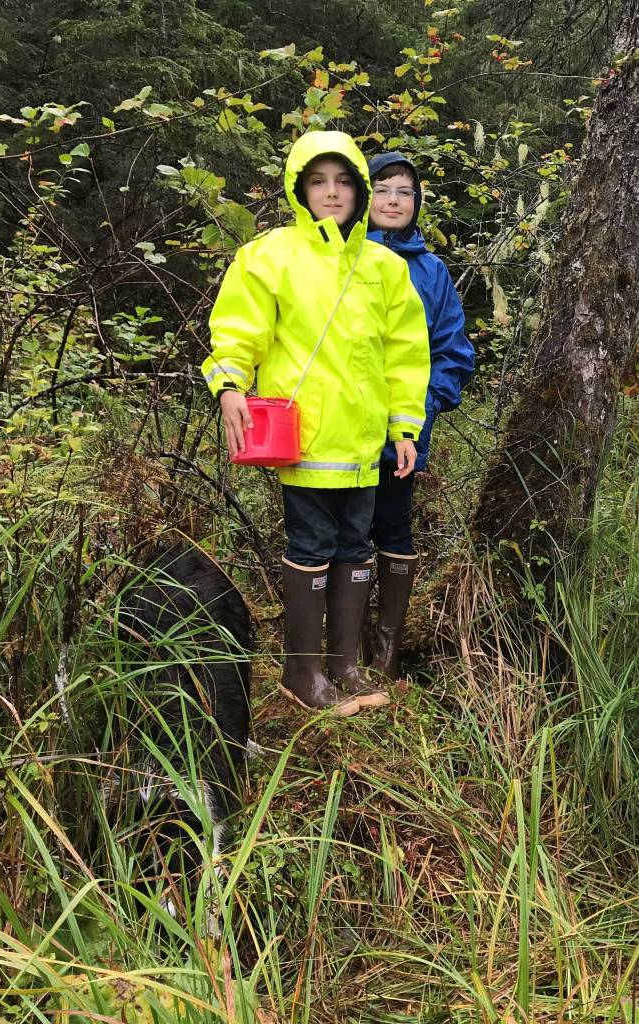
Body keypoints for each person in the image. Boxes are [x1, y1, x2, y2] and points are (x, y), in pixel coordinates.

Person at [201, 131, 430, 716]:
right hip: (302, 440)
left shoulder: (383, 266)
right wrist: (229, 385)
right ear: (300, 189)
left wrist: (404, 427)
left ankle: (344, 667)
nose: (333, 193)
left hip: (363, 445)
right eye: (319, 181)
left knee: (356, 545)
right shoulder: (271, 254)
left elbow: (405, 354)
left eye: (344, 181)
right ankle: (301, 676)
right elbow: (238, 328)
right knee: (312, 544)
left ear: (357, 187)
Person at [364, 153, 475, 682]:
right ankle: (340, 645)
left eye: (404, 192)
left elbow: (452, 351)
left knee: (392, 526)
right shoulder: (341, 258)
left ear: (416, 203)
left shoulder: (432, 272)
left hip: (404, 435)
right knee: (341, 532)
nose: (392, 200)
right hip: (339, 429)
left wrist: (425, 404)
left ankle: (385, 652)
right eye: (382, 188)